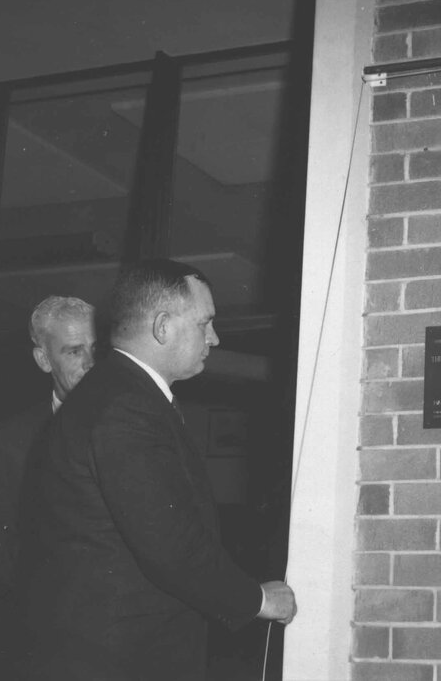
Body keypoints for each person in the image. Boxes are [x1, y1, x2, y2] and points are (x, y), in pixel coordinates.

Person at [19, 259, 296, 681]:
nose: (215, 337)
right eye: (205, 323)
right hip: (120, 660)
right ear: (163, 327)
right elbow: (169, 544)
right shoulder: (124, 406)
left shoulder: (125, 394)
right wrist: (257, 600)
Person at [0, 297, 96, 679]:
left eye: (96, 349)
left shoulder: (136, 424)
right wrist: (46, 597)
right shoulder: (15, 438)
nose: (91, 363)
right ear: (43, 360)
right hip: (46, 633)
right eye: (75, 351)